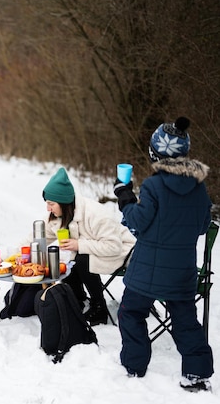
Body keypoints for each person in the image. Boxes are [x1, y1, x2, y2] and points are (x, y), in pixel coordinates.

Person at [113, 117, 213, 391]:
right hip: (182, 273)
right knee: (185, 321)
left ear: (155, 153)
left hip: (148, 273)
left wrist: (124, 196)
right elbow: (203, 225)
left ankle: (135, 366)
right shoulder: (199, 188)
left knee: (130, 312)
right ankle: (196, 374)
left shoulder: (153, 186)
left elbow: (138, 223)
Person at [41, 167, 136, 325]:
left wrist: (79, 244)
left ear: (64, 202)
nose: (47, 208)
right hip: (99, 248)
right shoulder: (59, 215)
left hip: (124, 252)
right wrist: (11, 256)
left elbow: (114, 246)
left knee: (82, 259)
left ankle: (99, 308)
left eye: (51, 204)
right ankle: (77, 300)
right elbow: (37, 237)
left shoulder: (95, 214)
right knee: (67, 259)